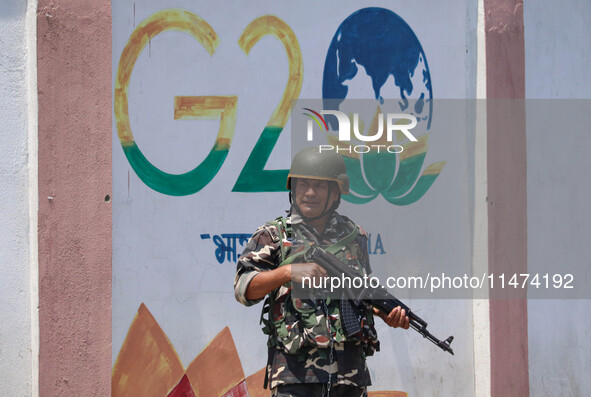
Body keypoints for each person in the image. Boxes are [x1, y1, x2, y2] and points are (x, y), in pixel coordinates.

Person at [234, 147, 410, 397]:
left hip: (350, 376)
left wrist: (386, 314)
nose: (309, 193)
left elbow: (360, 296)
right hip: (296, 376)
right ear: (292, 188)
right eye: (303, 184)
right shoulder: (274, 236)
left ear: (336, 191)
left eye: (319, 186)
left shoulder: (355, 235)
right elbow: (244, 288)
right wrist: (287, 272)